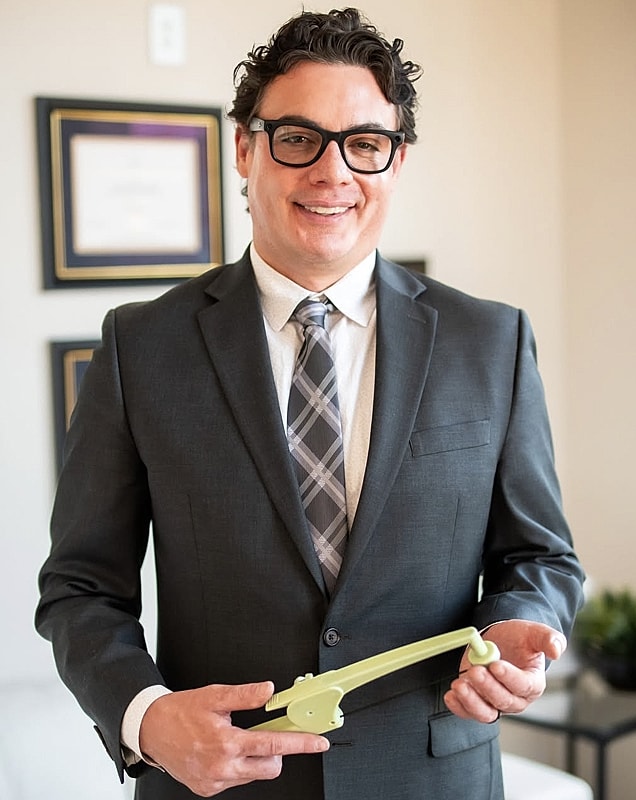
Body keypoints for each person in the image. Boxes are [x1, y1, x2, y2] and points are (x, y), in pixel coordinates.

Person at [36, 8, 585, 800]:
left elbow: (541, 557)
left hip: (435, 780)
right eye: (299, 138)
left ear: (396, 161)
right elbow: (80, 587)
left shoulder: (491, 341)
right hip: (219, 786)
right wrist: (146, 718)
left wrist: (515, 625)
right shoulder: (140, 347)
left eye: (365, 143)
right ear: (244, 148)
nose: (334, 172)